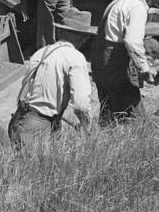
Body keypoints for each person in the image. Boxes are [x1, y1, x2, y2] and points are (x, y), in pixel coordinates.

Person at [8, 10, 95, 148]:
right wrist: (86, 125)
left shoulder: (42, 52)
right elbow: (81, 104)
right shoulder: (75, 58)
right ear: (84, 37)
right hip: (39, 127)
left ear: (60, 32)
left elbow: (40, 100)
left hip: (20, 120)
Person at [92, 0, 159, 121]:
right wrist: (145, 68)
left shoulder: (121, 1)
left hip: (102, 55)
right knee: (132, 110)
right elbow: (132, 41)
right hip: (115, 57)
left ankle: (108, 135)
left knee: (108, 106)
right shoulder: (137, 7)